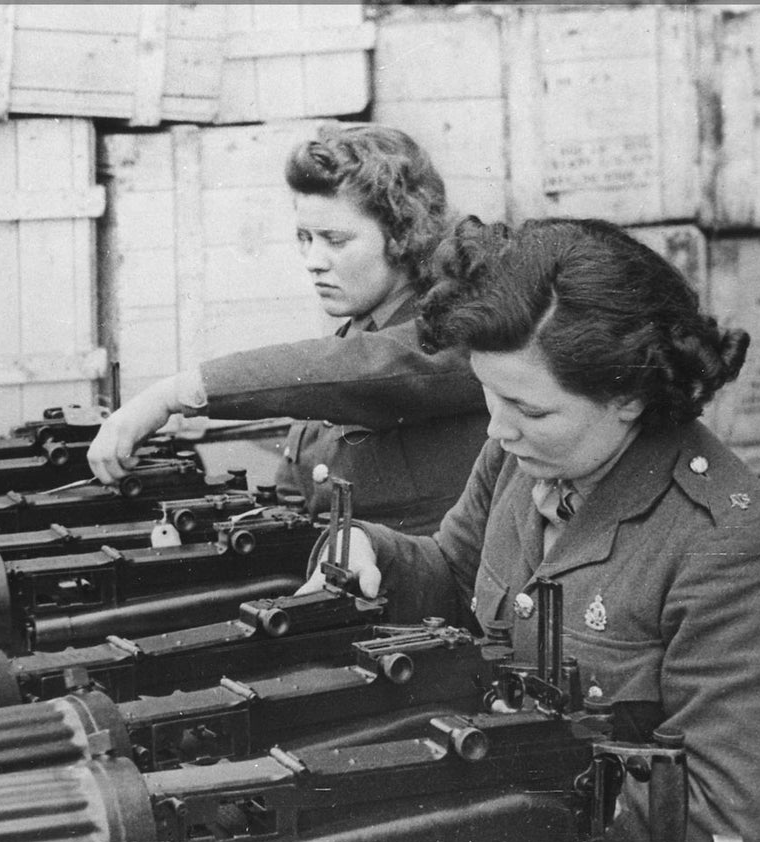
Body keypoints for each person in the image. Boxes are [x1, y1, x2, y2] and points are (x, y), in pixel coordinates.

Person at [287, 217, 760, 842]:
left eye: (532, 410)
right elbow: (455, 576)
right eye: (490, 394)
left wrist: (469, 786)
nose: (497, 429)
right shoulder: (523, 454)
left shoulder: (734, 552)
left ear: (628, 397)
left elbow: (709, 818)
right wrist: (370, 551)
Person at [93, 123, 488, 535]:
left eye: (335, 240)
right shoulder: (359, 333)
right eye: (304, 237)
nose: (313, 260)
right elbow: (298, 494)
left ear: (402, 236)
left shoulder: (455, 332)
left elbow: (361, 369)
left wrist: (172, 395)